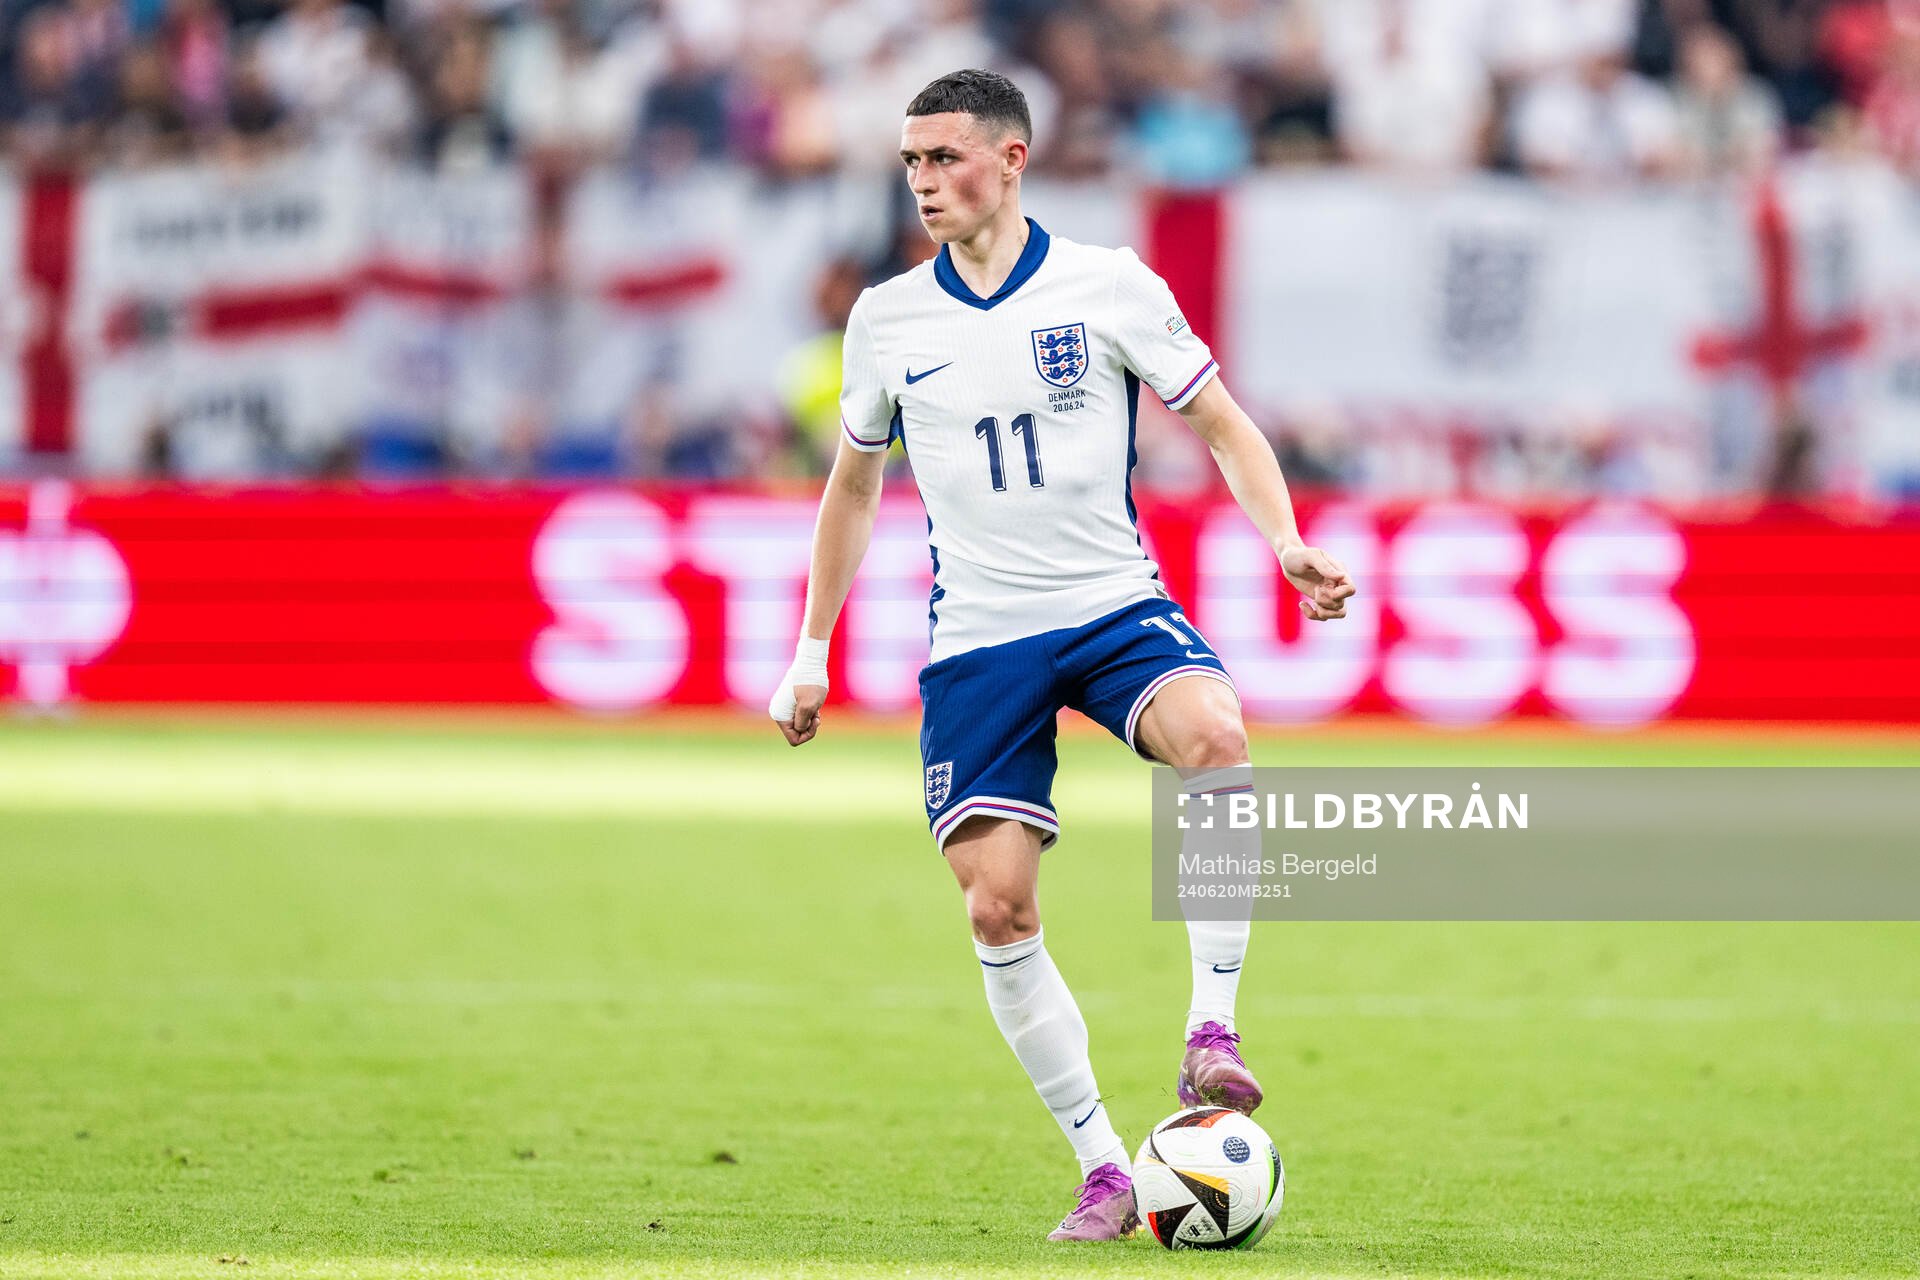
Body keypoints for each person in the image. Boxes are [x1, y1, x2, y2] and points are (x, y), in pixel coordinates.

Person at [767, 68, 1356, 1243]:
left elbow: (1222, 423)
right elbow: (853, 488)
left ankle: (1214, 1032)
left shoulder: (1109, 286)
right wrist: (810, 648)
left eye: (947, 158)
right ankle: (1102, 1165)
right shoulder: (888, 318)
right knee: (997, 906)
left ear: (1013, 157)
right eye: (912, 163)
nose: (927, 183)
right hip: (981, 637)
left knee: (1220, 738)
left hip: (1108, 604)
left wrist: (1285, 536)